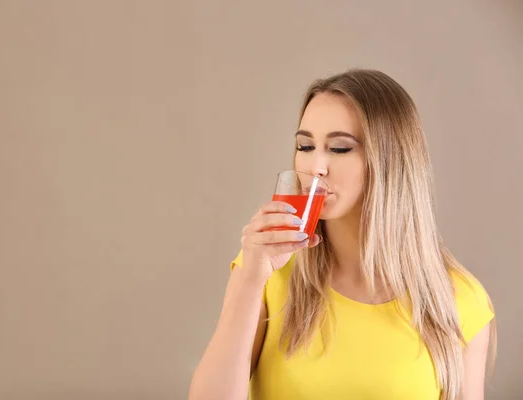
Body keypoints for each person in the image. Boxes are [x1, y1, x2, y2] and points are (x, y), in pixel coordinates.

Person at [188, 69, 496, 400]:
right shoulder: (266, 274)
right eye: (305, 146)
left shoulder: (459, 300)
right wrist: (249, 277)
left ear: (390, 162)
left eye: (339, 149)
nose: (315, 166)